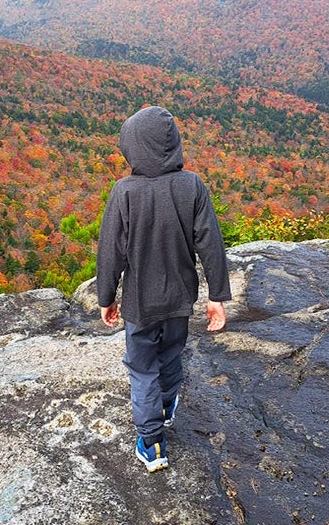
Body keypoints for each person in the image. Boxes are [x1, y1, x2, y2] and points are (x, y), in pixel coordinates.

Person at [96, 105, 231, 473]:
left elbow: (111, 250)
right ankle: (167, 406)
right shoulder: (192, 185)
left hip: (140, 303)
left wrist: (106, 298)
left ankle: (153, 444)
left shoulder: (124, 192)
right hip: (180, 298)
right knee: (171, 356)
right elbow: (210, 243)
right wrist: (217, 297)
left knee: (142, 371)